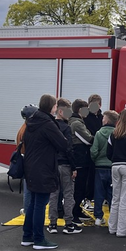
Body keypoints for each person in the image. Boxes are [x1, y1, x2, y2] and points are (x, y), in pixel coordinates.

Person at [22, 94, 70, 250]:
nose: (56, 108)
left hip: (31, 167)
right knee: (40, 204)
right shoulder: (48, 124)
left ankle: (27, 236)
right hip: (44, 168)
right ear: (52, 107)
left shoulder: (31, 122)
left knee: (33, 204)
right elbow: (63, 144)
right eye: (55, 105)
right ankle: (39, 239)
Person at [47, 98, 82, 235]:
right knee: (68, 194)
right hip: (66, 164)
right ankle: (68, 224)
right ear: (60, 111)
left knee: (53, 195)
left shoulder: (50, 126)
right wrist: (74, 167)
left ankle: (52, 224)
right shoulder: (66, 128)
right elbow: (69, 149)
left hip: (53, 164)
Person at [106, 107, 126, 238]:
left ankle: (112, 227)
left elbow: (108, 153)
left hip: (115, 166)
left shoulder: (114, 133)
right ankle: (123, 229)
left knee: (116, 198)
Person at [90, 109, 118, 226]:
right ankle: (113, 217)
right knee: (112, 193)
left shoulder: (99, 133)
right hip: (113, 166)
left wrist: (95, 160)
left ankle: (98, 217)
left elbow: (94, 151)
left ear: (106, 120)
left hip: (100, 167)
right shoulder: (117, 133)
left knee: (99, 192)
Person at [69, 99, 93, 223]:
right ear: (80, 110)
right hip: (79, 159)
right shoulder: (77, 124)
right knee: (79, 188)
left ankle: (76, 210)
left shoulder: (77, 121)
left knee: (80, 188)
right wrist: (99, 138)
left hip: (80, 158)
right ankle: (74, 214)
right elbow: (88, 140)